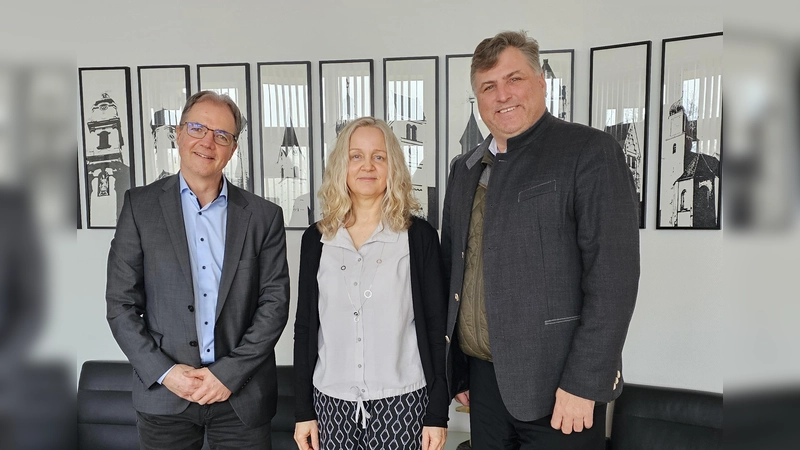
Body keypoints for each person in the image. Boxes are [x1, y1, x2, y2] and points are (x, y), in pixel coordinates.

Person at [442, 31, 640, 449]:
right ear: (477, 98)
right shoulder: (464, 169)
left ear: (541, 82)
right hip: (483, 382)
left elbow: (613, 281)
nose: (502, 95)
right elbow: (455, 272)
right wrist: (459, 371)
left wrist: (585, 383)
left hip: (560, 388)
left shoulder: (590, 152)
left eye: (514, 79)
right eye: (488, 87)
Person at [106, 90, 290, 450]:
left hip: (241, 397)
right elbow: (120, 305)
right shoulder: (140, 207)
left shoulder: (263, 217)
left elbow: (274, 306)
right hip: (165, 394)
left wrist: (227, 375)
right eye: (197, 128)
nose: (208, 141)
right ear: (178, 133)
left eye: (222, 135)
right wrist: (166, 372)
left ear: (233, 149)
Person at [293, 117, 448, 450]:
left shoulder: (417, 238)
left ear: (392, 166)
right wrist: (303, 409)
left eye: (379, 156)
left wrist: (438, 413)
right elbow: (305, 327)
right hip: (330, 403)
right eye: (356, 156)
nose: (367, 166)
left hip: (403, 402)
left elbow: (437, 330)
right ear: (341, 166)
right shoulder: (316, 240)